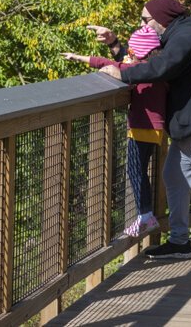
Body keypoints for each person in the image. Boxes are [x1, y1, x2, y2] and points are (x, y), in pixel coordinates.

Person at [93, 0, 191, 266]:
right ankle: (179, 242)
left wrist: (123, 75)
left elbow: (162, 67)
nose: (143, 25)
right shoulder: (177, 36)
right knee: (174, 177)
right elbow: (144, 58)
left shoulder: (186, 37)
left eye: (145, 20)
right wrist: (115, 45)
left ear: (163, 19)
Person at [62, 26, 166, 238]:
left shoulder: (141, 71)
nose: (129, 54)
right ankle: (146, 215)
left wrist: (110, 69)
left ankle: (146, 216)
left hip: (143, 127)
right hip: (152, 127)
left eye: (132, 51)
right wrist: (80, 57)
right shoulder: (154, 67)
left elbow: (114, 66)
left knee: (136, 171)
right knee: (139, 171)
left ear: (139, 52)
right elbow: (112, 63)